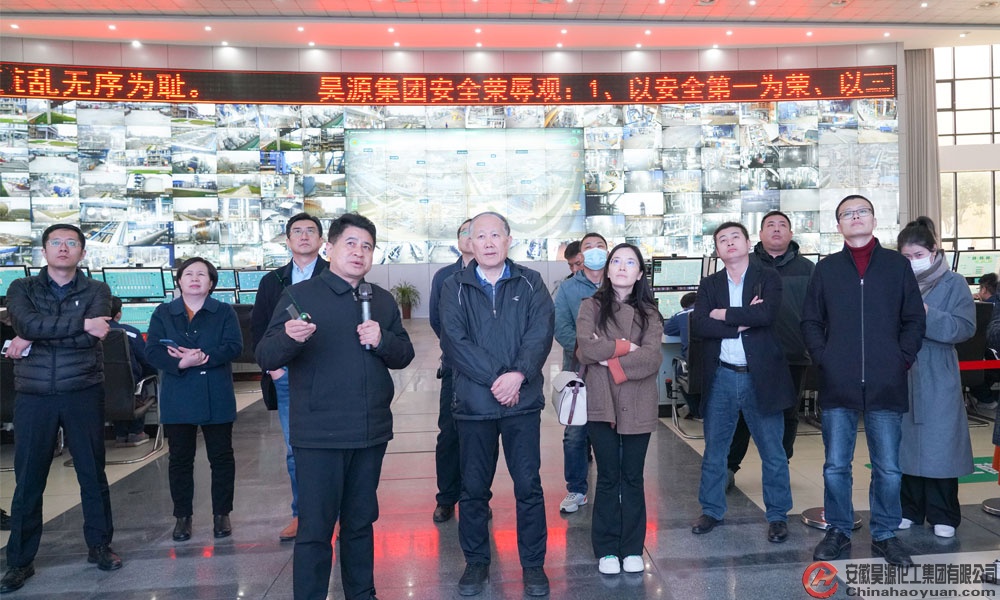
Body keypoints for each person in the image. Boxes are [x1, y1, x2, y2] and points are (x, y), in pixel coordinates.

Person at [255, 212, 414, 600]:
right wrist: (290, 338)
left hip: (369, 432)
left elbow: (404, 353)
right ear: (330, 248)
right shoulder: (300, 296)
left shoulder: (380, 299)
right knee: (315, 529)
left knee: (360, 523)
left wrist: (382, 340)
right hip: (319, 435)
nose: (359, 252)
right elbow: (265, 354)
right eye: (351, 244)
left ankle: (362, 593)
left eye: (367, 246)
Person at [802, 194, 926, 567]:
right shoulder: (826, 269)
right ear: (838, 224)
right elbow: (810, 320)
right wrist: (824, 358)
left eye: (862, 212)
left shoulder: (896, 266)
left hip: (886, 381)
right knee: (836, 465)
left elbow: (914, 319)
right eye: (847, 214)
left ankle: (885, 534)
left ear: (873, 219)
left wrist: (901, 359)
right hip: (837, 382)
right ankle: (839, 529)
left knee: (887, 467)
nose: (855, 217)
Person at [439, 211, 554, 597]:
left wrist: (518, 375)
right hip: (474, 406)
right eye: (480, 236)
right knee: (473, 489)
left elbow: (540, 333)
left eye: (495, 235)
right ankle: (476, 562)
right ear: (469, 242)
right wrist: (498, 379)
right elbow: (454, 341)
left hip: (522, 403)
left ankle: (533, 565)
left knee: (529, 486)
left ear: (508, 240)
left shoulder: (530, 281)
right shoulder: (454, 285)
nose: (488, 242)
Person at [1, 224, 121, 594]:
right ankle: (19, 561)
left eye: (71, 243)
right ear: (44, 251)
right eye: (56, 242)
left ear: (82, 252)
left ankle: (99, 545)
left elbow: (92, 336)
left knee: (92, 473)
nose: (63, 248)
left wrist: (33, 337)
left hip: (82, 391)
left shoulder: (97, 290)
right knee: (29, 480)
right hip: (34, 395)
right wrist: (77, 324)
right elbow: (26, 322)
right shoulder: (22, 288)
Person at [688, 222, 795, 544]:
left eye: (735, 237)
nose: (729, 242)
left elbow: (766, 316)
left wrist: (722, 314)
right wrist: (742, 319)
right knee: (715, 450)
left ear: (748, 243)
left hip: (761, 376)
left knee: (773, 451)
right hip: (721, 375)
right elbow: (699, 324)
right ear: (717, 250)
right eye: (722, 239)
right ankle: (711, 510)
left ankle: (777, 515)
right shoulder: (710, 283)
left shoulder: (767, 277)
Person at [575, 243, 663, 575]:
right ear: (608, 270)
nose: (622, 267)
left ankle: (632, 547)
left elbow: (652, 358)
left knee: (633, 477)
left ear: (640, 273)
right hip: (601, 402)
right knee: (608, 476)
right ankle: (607, 549)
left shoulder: (650, 313)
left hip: (638, 401)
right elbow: (586, 348)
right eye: (616, 261)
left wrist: (609, 359)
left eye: (630, 262)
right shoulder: (590, 306)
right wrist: (627, 347)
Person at [146, 257, 243, 543]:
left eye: (202, 274)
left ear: (211, 283)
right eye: (189, 274)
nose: (195, 278)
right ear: (179, 281)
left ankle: (222, 514)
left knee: (221, 457)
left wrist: (204, 357)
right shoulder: (164, 312)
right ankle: (182, 517)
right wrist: (181, 363)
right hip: (178, 394)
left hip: (216, 393)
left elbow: (235, 346)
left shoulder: (224, 311)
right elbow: (152, 351)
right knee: (180, 459)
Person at [250, 212, 329, 542]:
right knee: (296, 450)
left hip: (326, 375)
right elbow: (259, 329)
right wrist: (275, 369)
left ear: (322, 240)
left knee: (333, 448)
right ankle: (302, 515)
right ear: (287, 240)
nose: (304, 236)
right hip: (286, 378)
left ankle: (335, 515)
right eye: (297, 231)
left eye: (311, 231)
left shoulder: (334, 275)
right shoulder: (273, 281)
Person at [896, 217, 975, 538]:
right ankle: (908, 509)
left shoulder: (953, 283)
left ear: (933, 251)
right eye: (906, 257)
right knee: (904, 446)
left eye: (918, 255)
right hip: (903, 370)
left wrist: (927, 314)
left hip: (938, 372)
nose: (912, 262)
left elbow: (964, 327)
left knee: (941, 445)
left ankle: (944, 513)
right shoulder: (896, 282)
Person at [726, 211, 815, 487]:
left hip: (792, 354)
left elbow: (817, 311)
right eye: (770, 225)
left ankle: (779, 468)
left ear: (791, 233)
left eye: (782, 225)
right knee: (741, 412)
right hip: (748, 353)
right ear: (760, 234)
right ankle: (728, 468)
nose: (777, 229)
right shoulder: (746, 264)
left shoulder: (808, 269)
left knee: (788, 413)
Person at [552, 232, 608, 514]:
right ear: (580, 255)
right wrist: (589, 352)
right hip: (578, 371)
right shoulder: (568, 288)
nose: (595, 250)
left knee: (613, 432)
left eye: (600, 246)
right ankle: (576, 489)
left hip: (615, 372)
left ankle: (613, 486)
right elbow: (560, 326)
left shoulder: (620, 282)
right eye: (589, 247)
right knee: (575, 434)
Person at [428, 218, 474, 523]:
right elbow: (436, 320)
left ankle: (476, 497)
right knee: (449, 434)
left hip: (489, 371)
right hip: (454, 368)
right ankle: (446, 497)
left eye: (476, 232)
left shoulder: (495, 273)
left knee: (480, 438)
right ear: (458, 241)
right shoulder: (444, 276)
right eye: (465, 232)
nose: (471, 237)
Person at [109, 295, 158, 447]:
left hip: (99, 389)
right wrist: (155, 373)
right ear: (118, 314)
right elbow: (146, 360)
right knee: (136, 383)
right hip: (129, 388)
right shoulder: (129, 332)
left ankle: (120, 434)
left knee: (111, 385)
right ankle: (136, 432)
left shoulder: (89, 333)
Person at [664, 291, 699, 419]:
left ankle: (697, 411)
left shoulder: (681, 315)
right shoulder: (713, 312)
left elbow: (667, 330)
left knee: (681, 375)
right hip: (715, 364)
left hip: (691, 365)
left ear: (684, 306)